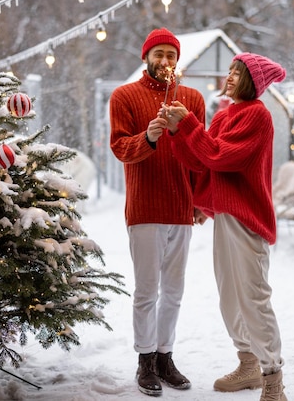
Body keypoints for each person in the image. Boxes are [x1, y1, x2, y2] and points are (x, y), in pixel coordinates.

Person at [158, 52, 288, 401]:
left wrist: (187, 125)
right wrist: (176, 131)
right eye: (229, 71)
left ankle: (273, 378)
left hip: (247, 220)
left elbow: (221, 156)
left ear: (252, 81)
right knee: (229, 297)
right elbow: (201, 160)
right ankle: (248, 366)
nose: (229, 77)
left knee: (253, 297)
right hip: (226, 218)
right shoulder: (226, 113)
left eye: (236, 72)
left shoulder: (257, 116)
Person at [108, 27, 206, 397]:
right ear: (145, 56)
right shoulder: (125, 96)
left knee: (175, 291)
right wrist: (149, 137)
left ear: (177, 60)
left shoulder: (192, 98)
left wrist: (198, 202)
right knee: (147, 291)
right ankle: (145, 360)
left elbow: (201, 155)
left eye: (171, 55)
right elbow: (120, 147)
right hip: (146, 207)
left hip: (181, 206)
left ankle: (166, 356)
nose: (165, 61)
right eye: (159, 54)